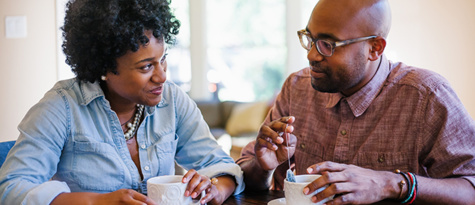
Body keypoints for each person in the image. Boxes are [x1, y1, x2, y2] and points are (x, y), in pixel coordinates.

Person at [0, 0, 244, 204]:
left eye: (163, 59)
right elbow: (12, 189)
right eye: (146, 66)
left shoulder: (172, 100)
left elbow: (219, 165)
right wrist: (97, 202)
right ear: (105, 67)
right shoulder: (61, 107)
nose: (162, 76)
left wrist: (214, 188)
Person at [237, 0, 475, 204]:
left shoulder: (426, 96)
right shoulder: (297, 88)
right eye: (310, 38)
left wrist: (390, 183)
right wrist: (263, 167)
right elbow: (245, 174)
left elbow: (471, 187)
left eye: (328, 44)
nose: (311, 55)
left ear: (375, 48)